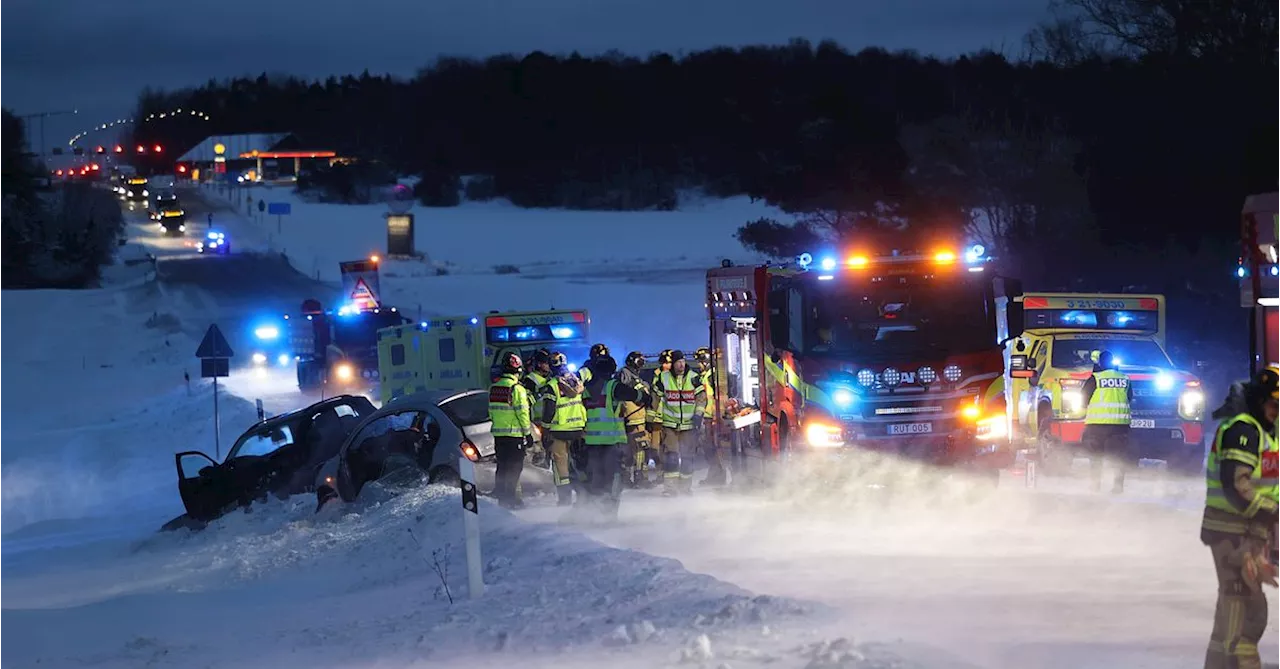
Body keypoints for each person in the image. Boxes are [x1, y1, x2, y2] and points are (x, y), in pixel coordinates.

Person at [1202, 367, 1280, 669]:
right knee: (1239, 605)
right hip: (1229, 530)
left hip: (1252, 531)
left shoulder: (1266, 433)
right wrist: (1271, 511)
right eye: (1273, 404)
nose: (1276, 411)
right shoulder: (1242, 431)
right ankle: (1230, 661)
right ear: (1260, 401)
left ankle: (1228, 660)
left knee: (1253, 609)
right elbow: (1237, 484)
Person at [579, 352, 644, 519]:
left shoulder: (587, 389)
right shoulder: (612, 386)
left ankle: (594, 512)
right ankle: (609, 514)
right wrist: (644, 396)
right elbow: (632, 395)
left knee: (596, 477)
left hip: (592, 442)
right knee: (614, 478)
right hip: (611, 442)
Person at [652, 349, 706, 495]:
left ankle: (685, 488)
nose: (681, 365)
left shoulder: (694, 378)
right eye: (678, 362)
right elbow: (655, 398)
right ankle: (670, 489)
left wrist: (698, 415)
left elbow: (702, 398)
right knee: (671, 457)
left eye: (683, 362)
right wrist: (650, 418)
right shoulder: (663, 378)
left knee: (688, 458)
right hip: (670, 425)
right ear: (673, 364)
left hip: (689, 425)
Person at [1080, 349, 1132, 493]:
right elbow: (1129, 398)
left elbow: (1083, 399)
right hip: (1120, 426)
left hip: (1097, 425)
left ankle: (1095, 486)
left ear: (1100, 363)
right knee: (1119, 457)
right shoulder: (1125, 378)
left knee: (1096, 457)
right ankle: (1118, 487)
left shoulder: (1095, 378)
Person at [538, 351, 586, 506]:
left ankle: (564, 498)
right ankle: (584, 495)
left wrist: (545, 430)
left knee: (560, 467)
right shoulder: (577, 381)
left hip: (559, 431)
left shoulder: (552, 386)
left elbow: (549, 411)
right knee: (578, 464)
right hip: (578, 428)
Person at [487, 351, 533, 509]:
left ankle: (501, 499)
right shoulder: (517, 389)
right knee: (514, 468)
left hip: (499, 436)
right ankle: (510, 499)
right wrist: (528, 433)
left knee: (502, 466)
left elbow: (491, 412)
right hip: (514, 435)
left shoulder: (494, 388)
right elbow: (523, 413)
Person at [618, 351, 654, 487]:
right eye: (639, 362)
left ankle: (629, 478)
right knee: (639, 448)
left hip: (636, 417)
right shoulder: (625, 374)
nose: (641, 365)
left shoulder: (635, 376)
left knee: (632, 450)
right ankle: (639, 478)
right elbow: (626, 390)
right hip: (632, 417)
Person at [694, 346, 727, 487]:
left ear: (706, 361)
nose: (698, 365)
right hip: (707, 416)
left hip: (712, 417)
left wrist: (716, 414)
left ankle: (718, 476)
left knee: (713, 448)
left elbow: (719, 395)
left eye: (700, 362)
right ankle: (714, 475)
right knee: (709, 448)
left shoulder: (712, 375)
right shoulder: (705, 375)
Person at [644, 350, 673, 485]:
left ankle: (668, 475)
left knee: (669, 448)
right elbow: (654, 398)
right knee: (655, 448)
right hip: (657, 420)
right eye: (665, 363)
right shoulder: (656, 375)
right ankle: (662, 472)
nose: (667, 365)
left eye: (669, 363)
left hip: (670, 419)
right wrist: (650, 418)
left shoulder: (676, 378)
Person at [521, 348, 553, 466]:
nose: (549, 366)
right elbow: (526, 402)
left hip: (551, 421)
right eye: (546, 363)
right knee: (540, 451)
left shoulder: (551, 378)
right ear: (539, 364)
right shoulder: (531, 379)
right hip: (537, 422)